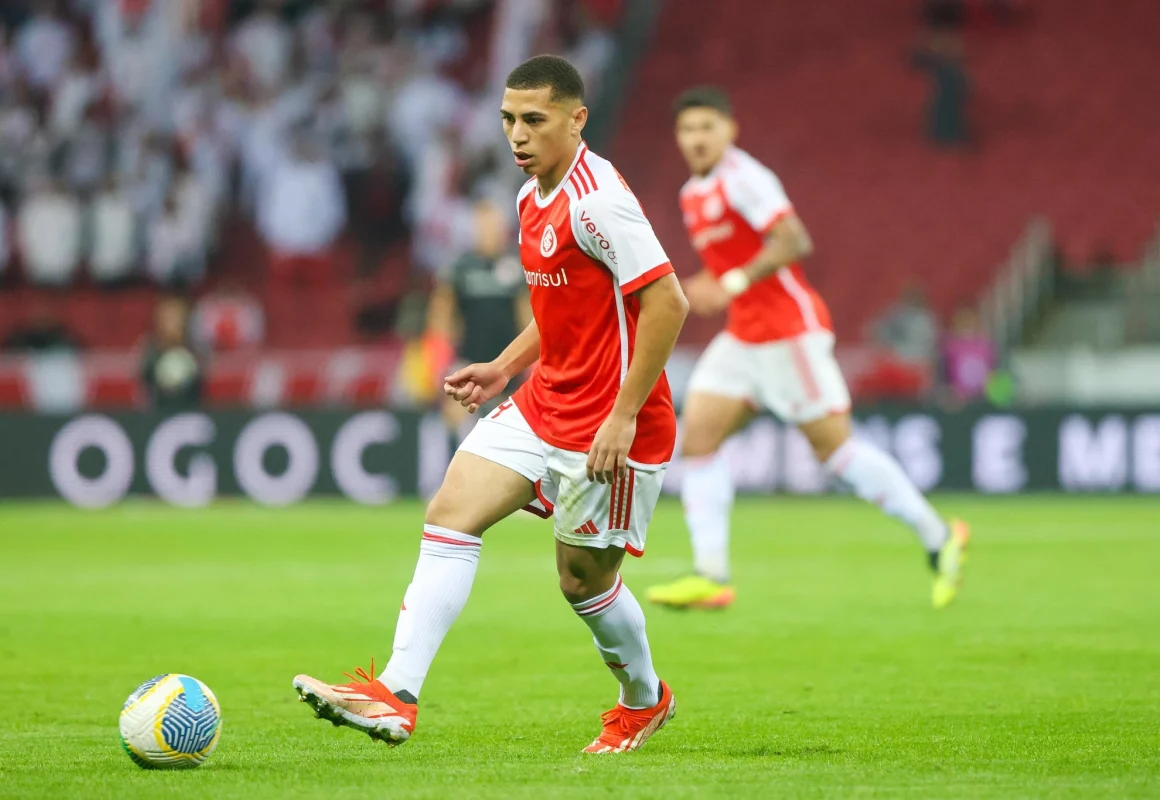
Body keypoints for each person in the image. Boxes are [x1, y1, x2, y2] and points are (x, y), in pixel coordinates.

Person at [293, 55, 689, 754]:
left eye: (534, 120)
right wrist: (505, 367)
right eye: (508, 120)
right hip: (544, 401)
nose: (517, 135)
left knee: (582, 582)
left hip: (610, 422)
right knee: (451, 512)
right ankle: (395, 694)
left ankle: (643, 699)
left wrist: (623, 416)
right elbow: (562, 309)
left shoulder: (597, 201)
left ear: (577, 119)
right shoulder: (530, 196)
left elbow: (668, 302)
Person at [646, 87, 969, 612]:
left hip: (788, 333)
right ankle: (712, 575)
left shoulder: (745, 178)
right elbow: (731, 261)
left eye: (707, 127)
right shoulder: (691, 194)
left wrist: (731, 284)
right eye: (687, 129)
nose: (697, 138)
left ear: (730, 131)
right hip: (744, 336)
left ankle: (939, 536)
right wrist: (701, 285)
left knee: (836, 453)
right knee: (698, 438)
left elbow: (794, 240)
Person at [426, 197, 532, 437]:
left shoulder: (517, 266)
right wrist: (443, 373)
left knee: (507, 440)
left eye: (493, 224)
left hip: (509, 371)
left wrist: (528, 372)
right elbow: (440, 323)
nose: (489, 231)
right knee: (463, 436)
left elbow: (530, 321)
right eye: (483, 225)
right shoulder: (459, 269)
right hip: (468, 371)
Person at [139, 296, 202, 408]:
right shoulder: (149, 354)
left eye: (176, 318)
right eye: (167, 318)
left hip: (190, 411)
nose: (171, 323)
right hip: (158, 412)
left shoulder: (197, 352)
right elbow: (143, 391)